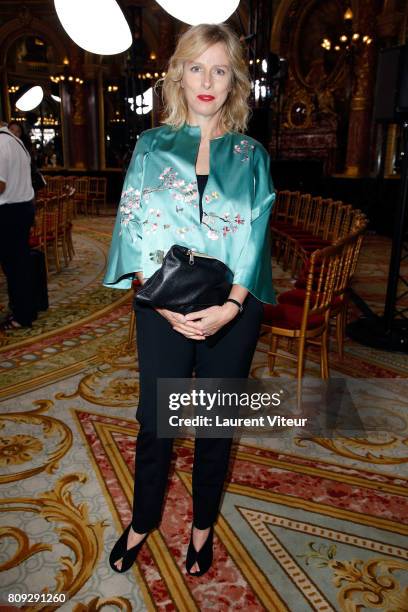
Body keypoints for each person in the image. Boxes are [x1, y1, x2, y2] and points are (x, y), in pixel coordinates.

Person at [103, 23, 276, 577]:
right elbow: (133, 228)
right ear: (179, 73)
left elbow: (257, 233)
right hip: (162, 308)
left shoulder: (251, 154)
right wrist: (164, 306)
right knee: (155, 420)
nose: (207, 80)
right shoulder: (152, 145)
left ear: (234, 81)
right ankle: (142, 520)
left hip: (233, 307)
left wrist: (230, 307)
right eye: (196, 67)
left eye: (220, 69)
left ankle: (202, 527)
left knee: (215, 424)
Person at [0, 121, 35, 330]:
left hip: (8, 212)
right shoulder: (16, 142)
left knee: (14, 268)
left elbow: (1, 185)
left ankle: (21, 315)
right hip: (22, 209)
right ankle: (25, 310)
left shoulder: (2, 143)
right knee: (19, 266)